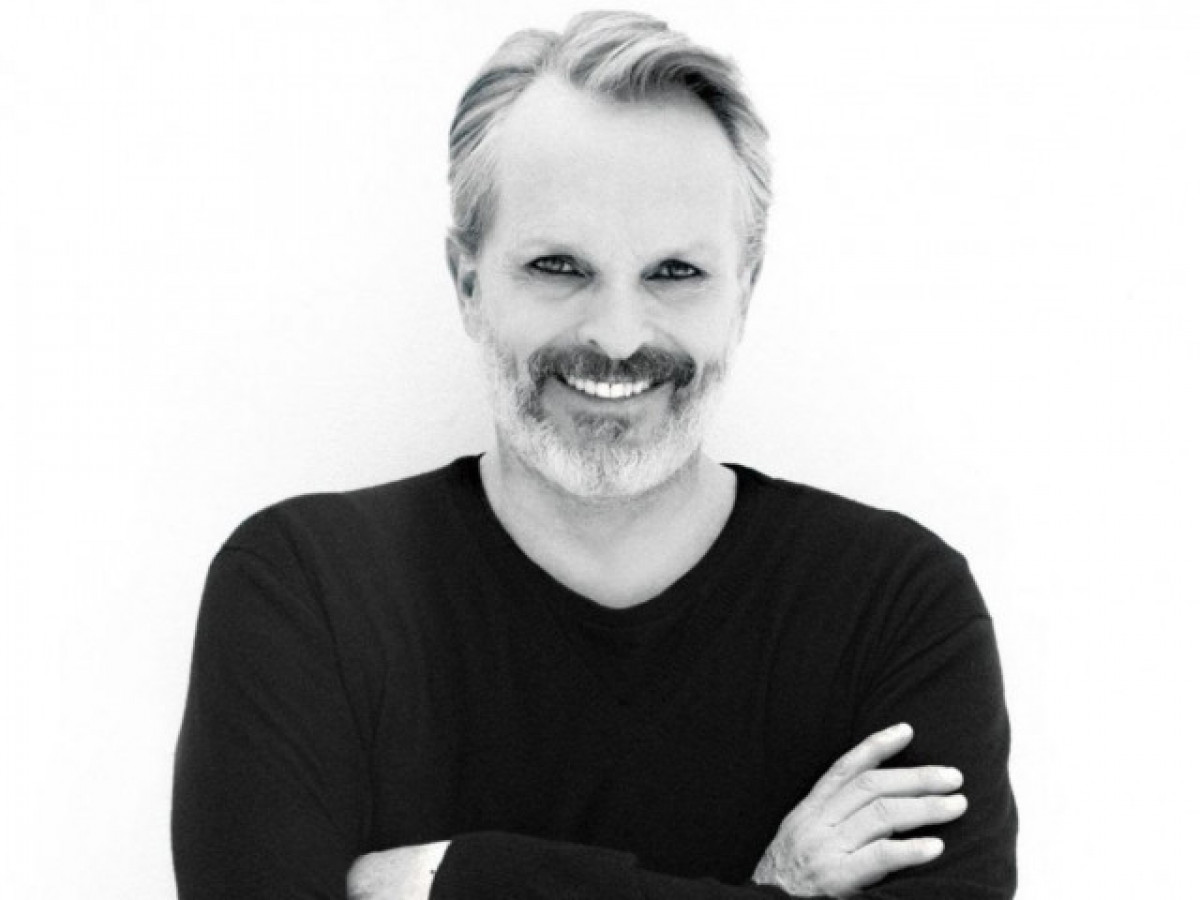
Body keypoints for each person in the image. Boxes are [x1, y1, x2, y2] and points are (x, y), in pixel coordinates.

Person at [172, 11, 1017, 899]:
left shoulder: (893, 606)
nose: (616, 338)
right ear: (468, 284)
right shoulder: (306, 590)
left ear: (744, 292)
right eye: (559, 267)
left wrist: (455, 878)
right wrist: (775, 893)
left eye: (675, 273)